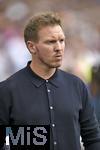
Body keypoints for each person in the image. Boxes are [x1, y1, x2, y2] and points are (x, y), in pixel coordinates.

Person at [0, 12, 100, 150]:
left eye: (61, 40)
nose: (59, 47)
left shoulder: (77, 85)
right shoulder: (7, 90)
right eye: (50, 42)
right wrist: (36, 136)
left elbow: (93, 138)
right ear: (32, 47)